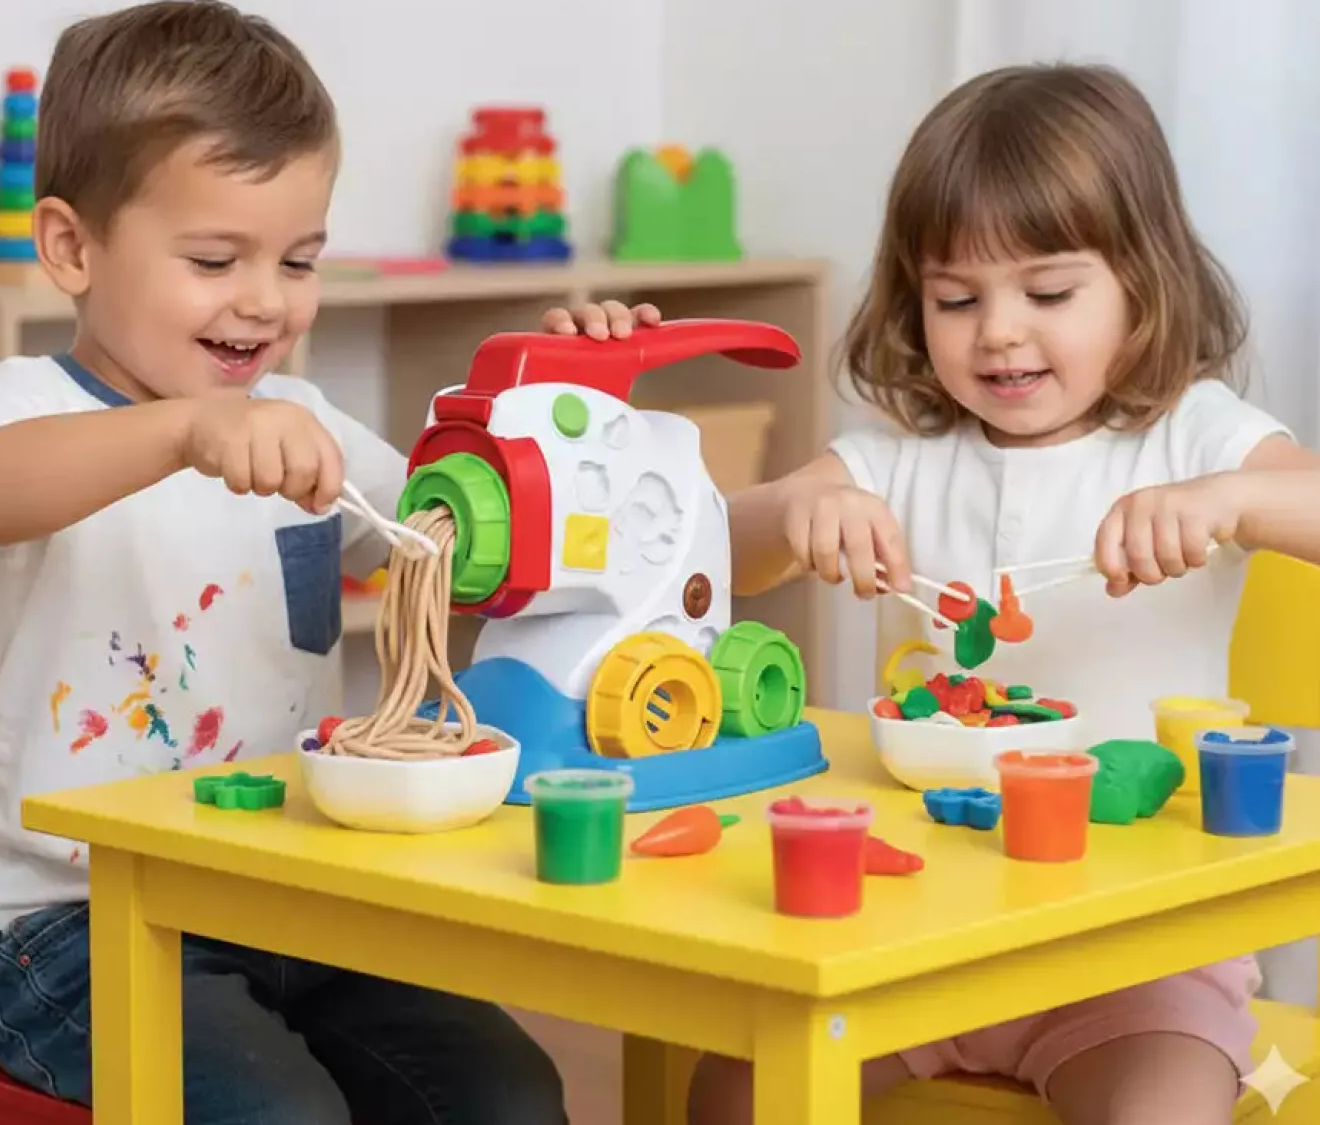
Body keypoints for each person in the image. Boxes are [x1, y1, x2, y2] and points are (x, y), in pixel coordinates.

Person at [557, 65, 1320, 1125]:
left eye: (1046, 294)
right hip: (908, 928)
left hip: (1133, 961)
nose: (997, 330)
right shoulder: (896, 458)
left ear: (1142, 283)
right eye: (956, 298)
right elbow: (704, 561)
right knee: (734, 1097)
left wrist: (1231, 499)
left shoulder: (1195, 435)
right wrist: (794, 509)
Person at [0, 0, 573, 1125]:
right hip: (67, 927)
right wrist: (184, 431)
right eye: (215, 258)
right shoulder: (26, 404)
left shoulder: (302, 421)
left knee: (509, 1093)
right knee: (284, 1116)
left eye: (299, 259)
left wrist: (561, 410)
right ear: (72, 248)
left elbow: (470, 543)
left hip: (297, 896)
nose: (267, 300)